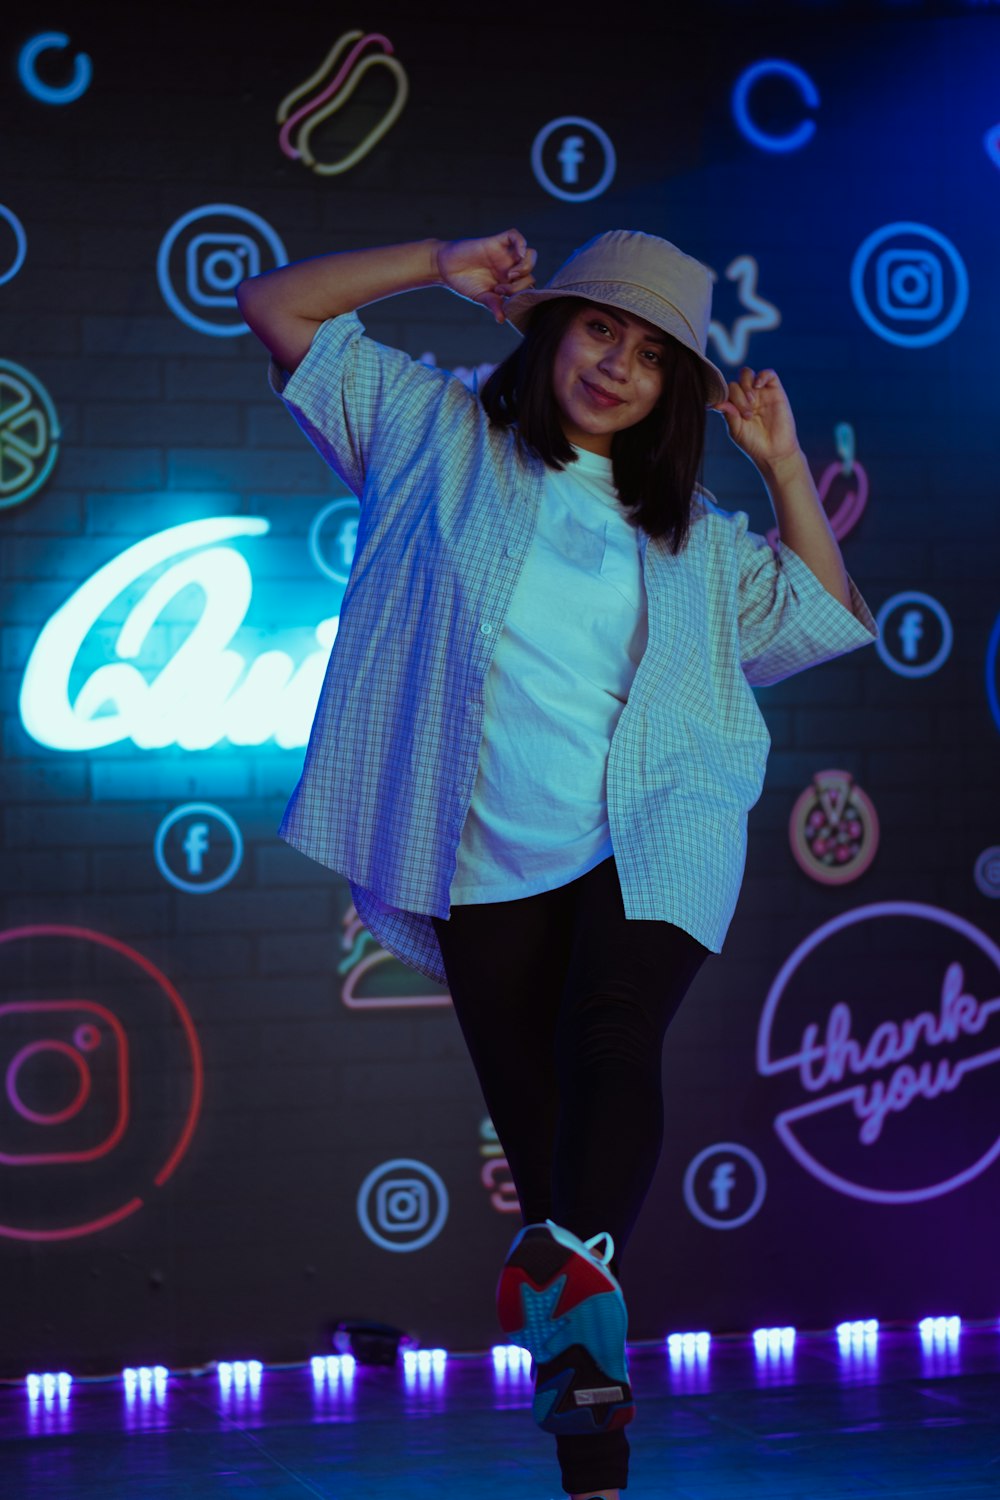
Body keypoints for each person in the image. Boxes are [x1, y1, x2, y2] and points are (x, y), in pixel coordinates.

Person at [237, 228, 878, 1500]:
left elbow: (824, 614)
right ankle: (593, 1461)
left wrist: (784, 463)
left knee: (612, 1042)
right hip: (478, 854)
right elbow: (275, 306)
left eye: (649, 357)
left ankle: (577, 1326)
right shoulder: (432, 434)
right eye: (600, 330)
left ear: (670, 393)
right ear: (551, 327)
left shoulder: (692, 534)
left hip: (650, 834)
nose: (616, 367)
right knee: (552, 1186)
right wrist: (437, 261)